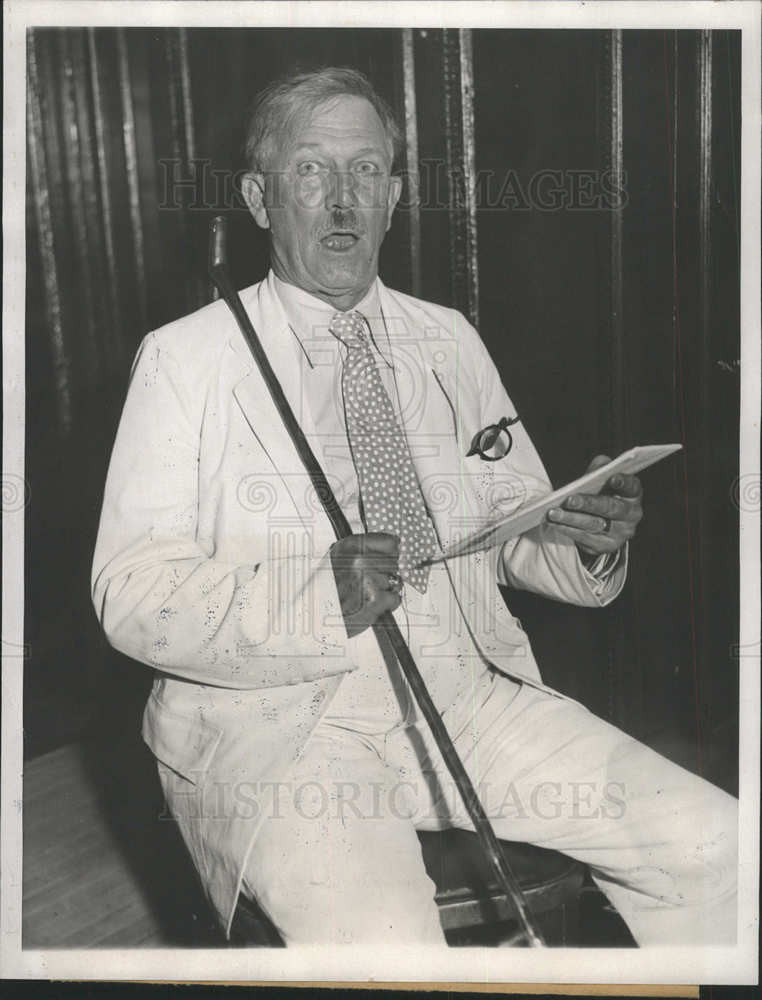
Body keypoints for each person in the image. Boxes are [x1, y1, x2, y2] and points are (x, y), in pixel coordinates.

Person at [91, 67, 737, 947]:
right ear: (257, 196)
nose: (343, 201)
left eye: (366, 171)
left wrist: (576, 534)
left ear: (395, 195)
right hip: (289, 727)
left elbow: (508, 526)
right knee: (381, 939)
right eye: (311, 171)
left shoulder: (449, 339)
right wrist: (323, 598)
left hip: (467, 694)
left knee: (722, 844)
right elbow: (131, 593)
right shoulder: (185, 361)